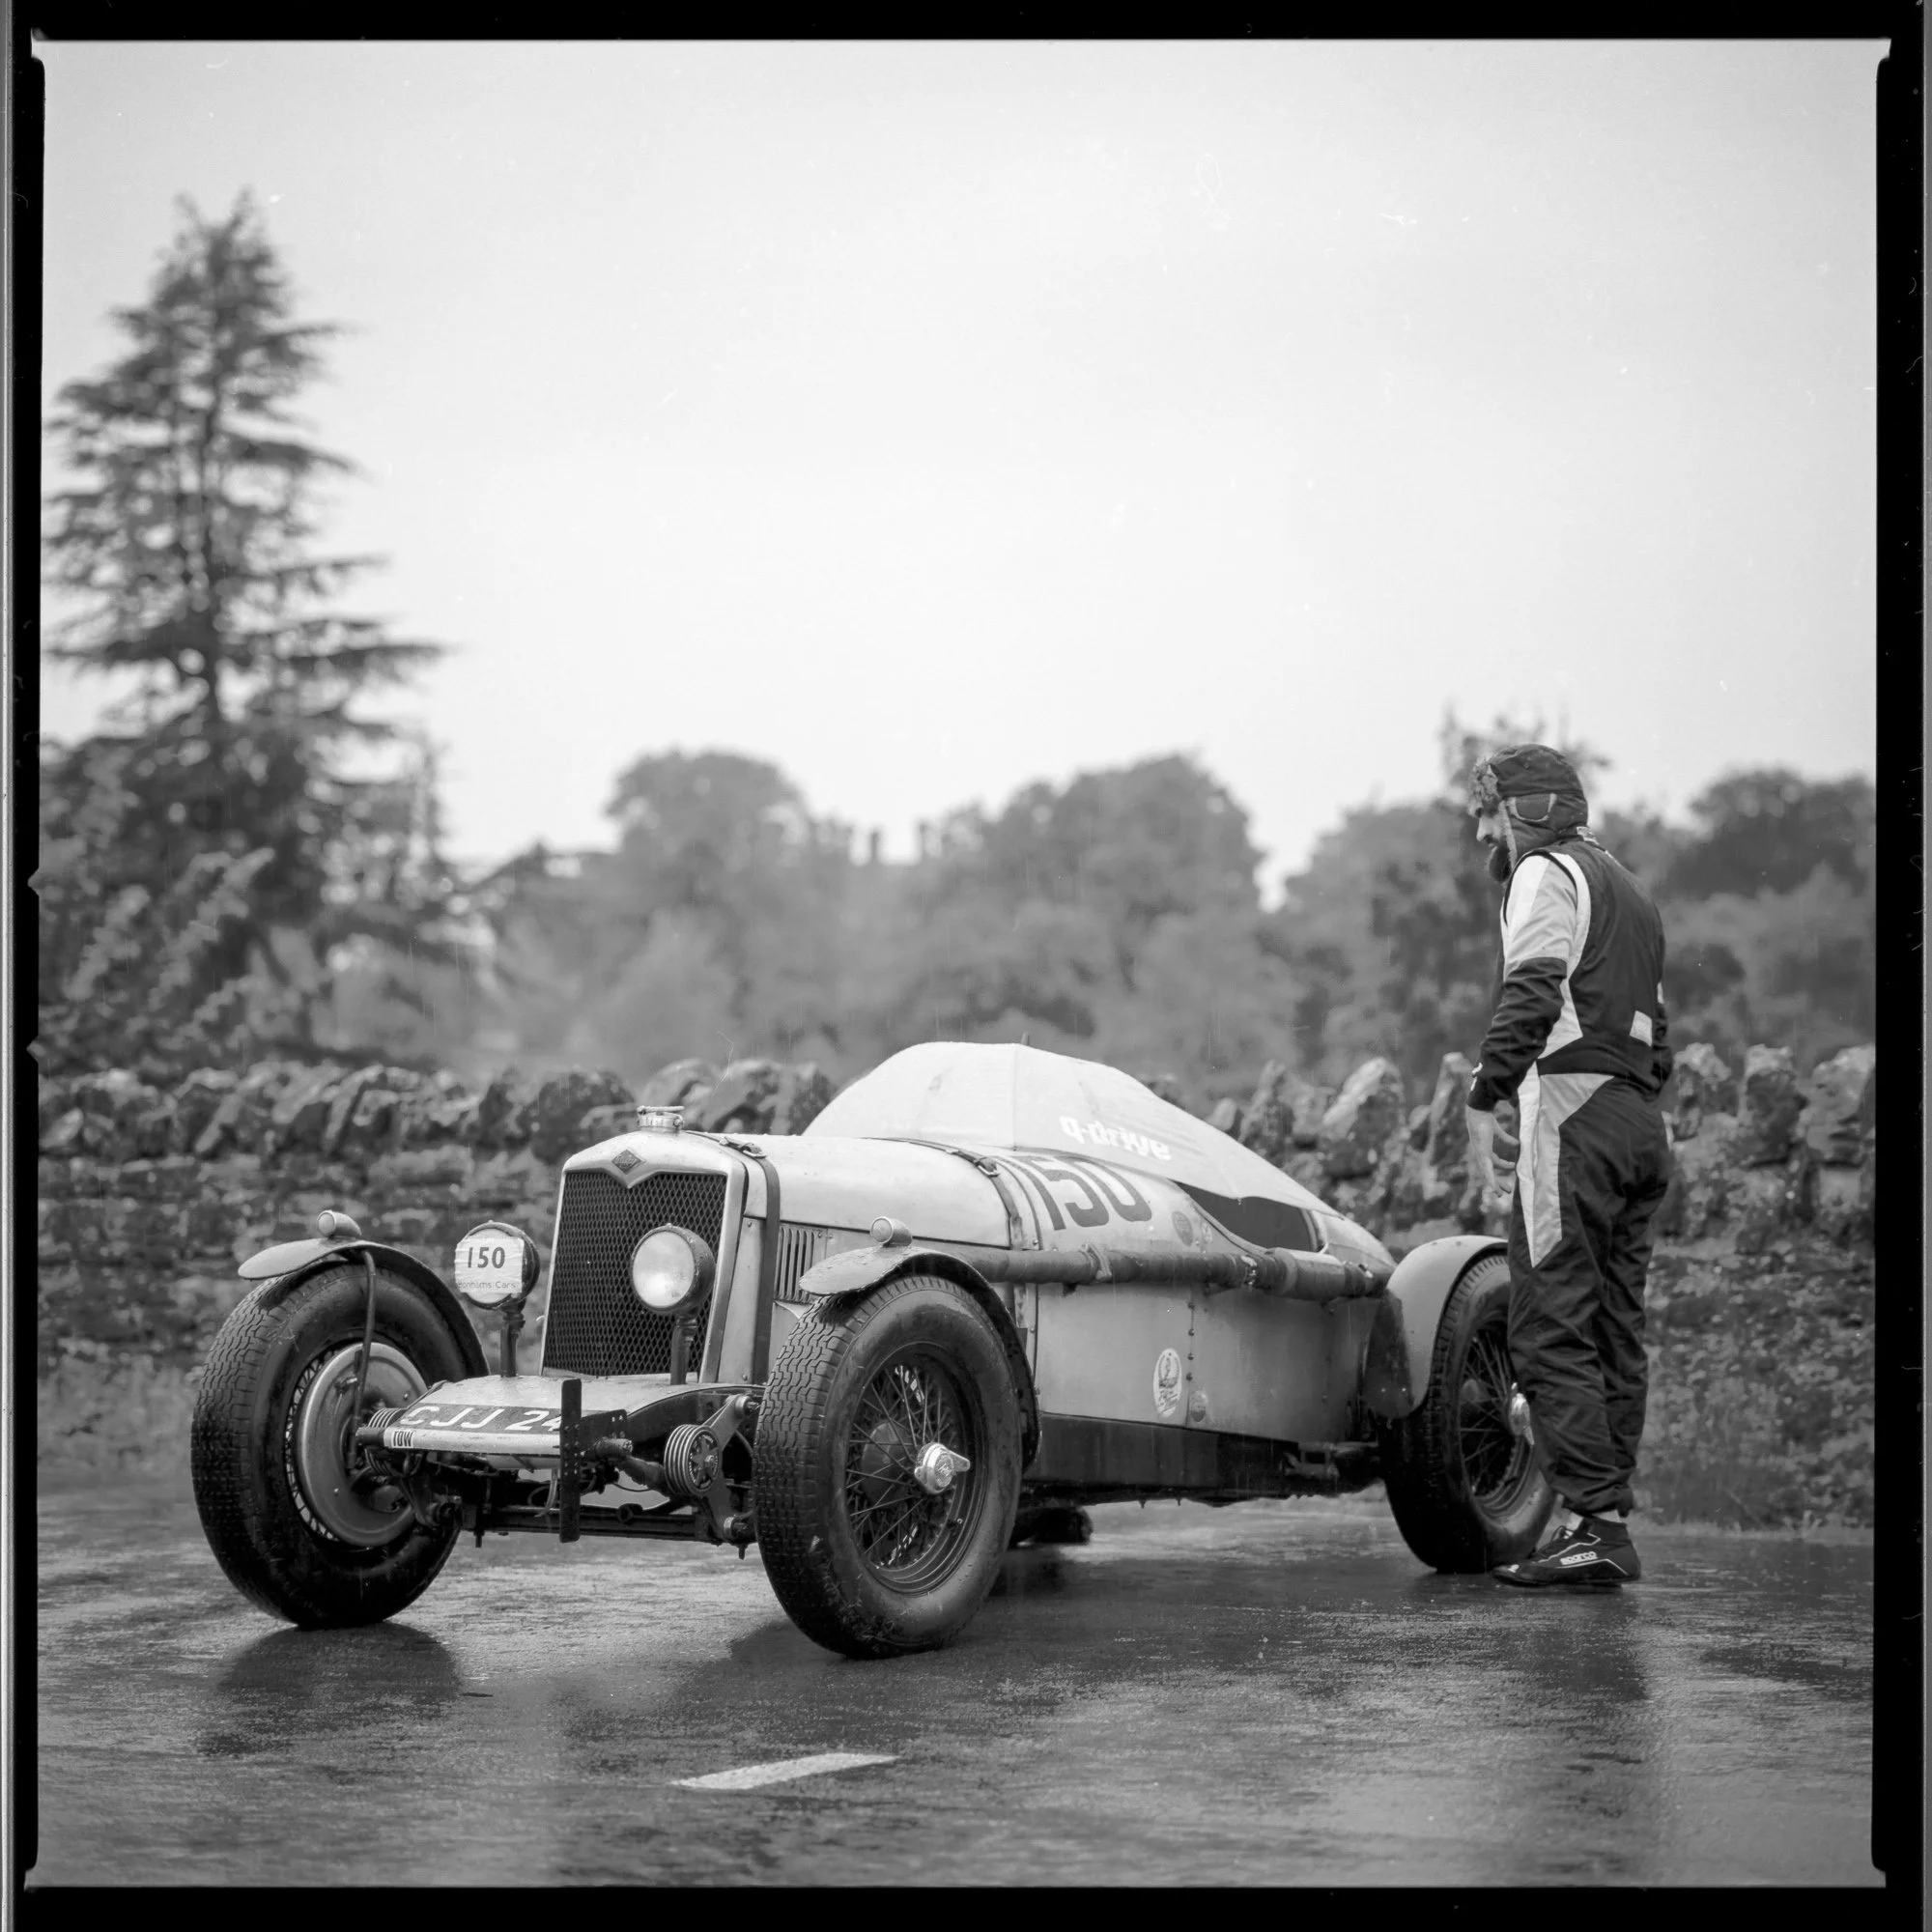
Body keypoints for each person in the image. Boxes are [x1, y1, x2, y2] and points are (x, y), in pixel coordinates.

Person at [1462, 744, 1674, 1587]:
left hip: (1575, 1115)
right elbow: (1660, 1030)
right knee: (1615, 1326)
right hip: (1638, 1120)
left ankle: (1592, 1524)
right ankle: (1605, 1523)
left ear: (1527, 812)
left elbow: (1533, 990)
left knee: (1550, 1318)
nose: (1481, 831)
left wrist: (1486, 1095)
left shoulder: (1544, 874)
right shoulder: (1632, 889)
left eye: (1488, 812)